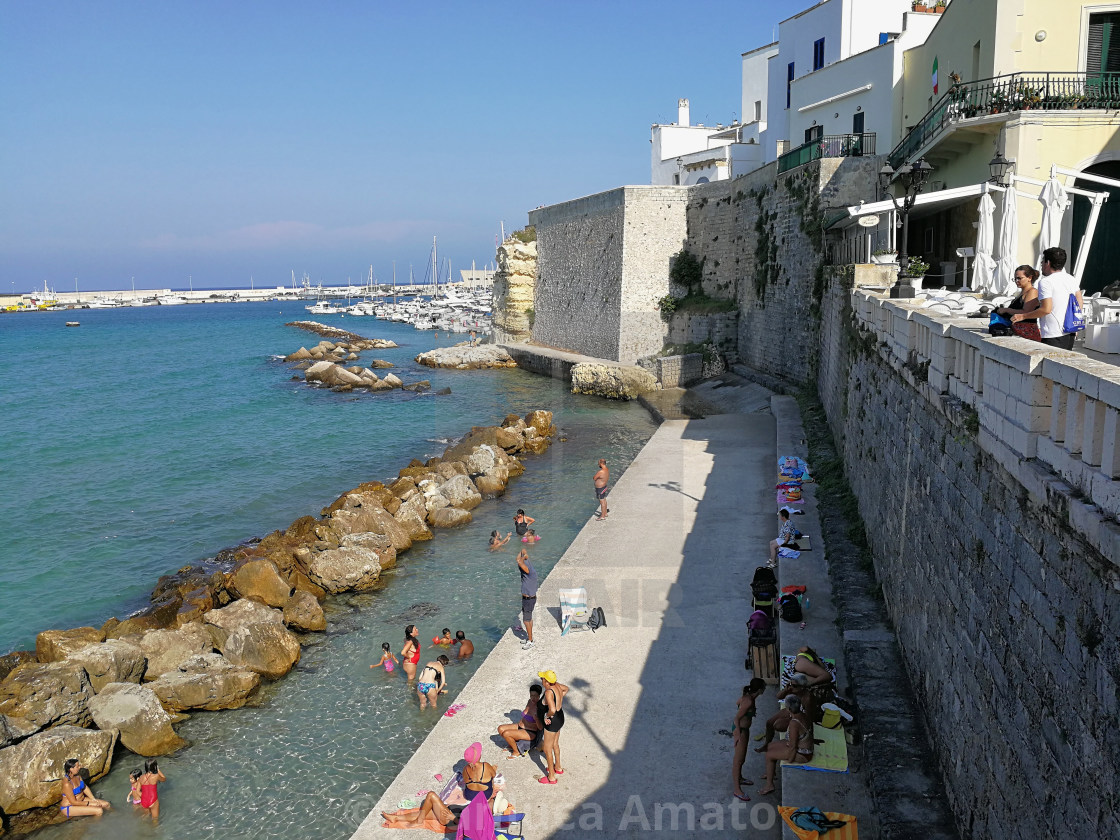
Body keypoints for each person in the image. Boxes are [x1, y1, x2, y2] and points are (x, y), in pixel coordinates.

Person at [1011, 247, 1082, 349]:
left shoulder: (1046, 282)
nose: (1041, 265)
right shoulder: (1071, 279)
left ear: (1047, 263)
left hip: (1053, 334)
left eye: (1042, 261)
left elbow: (1046, 309)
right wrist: (1074, 324)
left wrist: (1023, 316)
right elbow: (1079, 301)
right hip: (1070, 331)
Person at [759, 696, 813, 795]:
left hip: (803, 754)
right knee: (770, 746)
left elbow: (793, 746)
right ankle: (771, 773)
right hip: (802, 748)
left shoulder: (794, 723)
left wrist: (790, 759)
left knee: (769, 755)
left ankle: (769, 785)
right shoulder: (803, 715)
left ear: (788, 709)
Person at [733, 679, 767, 802]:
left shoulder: (748, 698)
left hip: (744, 730)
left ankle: (740, 778)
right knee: (738, 760)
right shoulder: (748, 701)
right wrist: (737, 733)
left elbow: (738, 702)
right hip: (741, 730)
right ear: (759, 690)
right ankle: (737, 790)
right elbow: (736, 718)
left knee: (742, 758)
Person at [536, 670, 568, 784]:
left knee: (547, 748)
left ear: (547, 682)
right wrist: (559, 699)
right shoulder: (558, 685)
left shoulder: (549, 692)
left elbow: (552, 709)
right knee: (555, 743)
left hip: (552, 721)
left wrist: (546, 716)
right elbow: (566, 689)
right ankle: (558, 767)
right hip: (560, 718)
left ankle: (551, 777)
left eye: (542, 679)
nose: (541, 681)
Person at [996, 265, 1041, 340]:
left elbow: (1026, 311)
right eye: (1015, 278)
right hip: (1018, 331)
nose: (1017, 281)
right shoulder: (1022, 292)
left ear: (1029, 278)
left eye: (1019, 278)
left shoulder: (1032, 292)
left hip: (1027, 332)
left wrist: (1006, 310)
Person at [498, 684, 543, 758]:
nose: (533, 698)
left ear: (539, 695)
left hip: (530, 732)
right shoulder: (529, 702)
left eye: (536, 696)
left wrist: (537, 720)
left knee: (506, 733)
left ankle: (516, 751)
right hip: (520, 725)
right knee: (500, 728)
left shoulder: (540, 707)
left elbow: (541, 728)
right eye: (531, 695)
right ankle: (511, 745)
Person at [517, 549, 538, 650]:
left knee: (526, 620)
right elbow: (518, 560)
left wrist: (523, 556)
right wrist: (522, 552)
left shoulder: (529, 572)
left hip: (528, 600)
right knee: (528, 618)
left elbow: (519, 562)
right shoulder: (529, 567)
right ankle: (530, 637)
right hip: (528, 599)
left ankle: (530, 641)